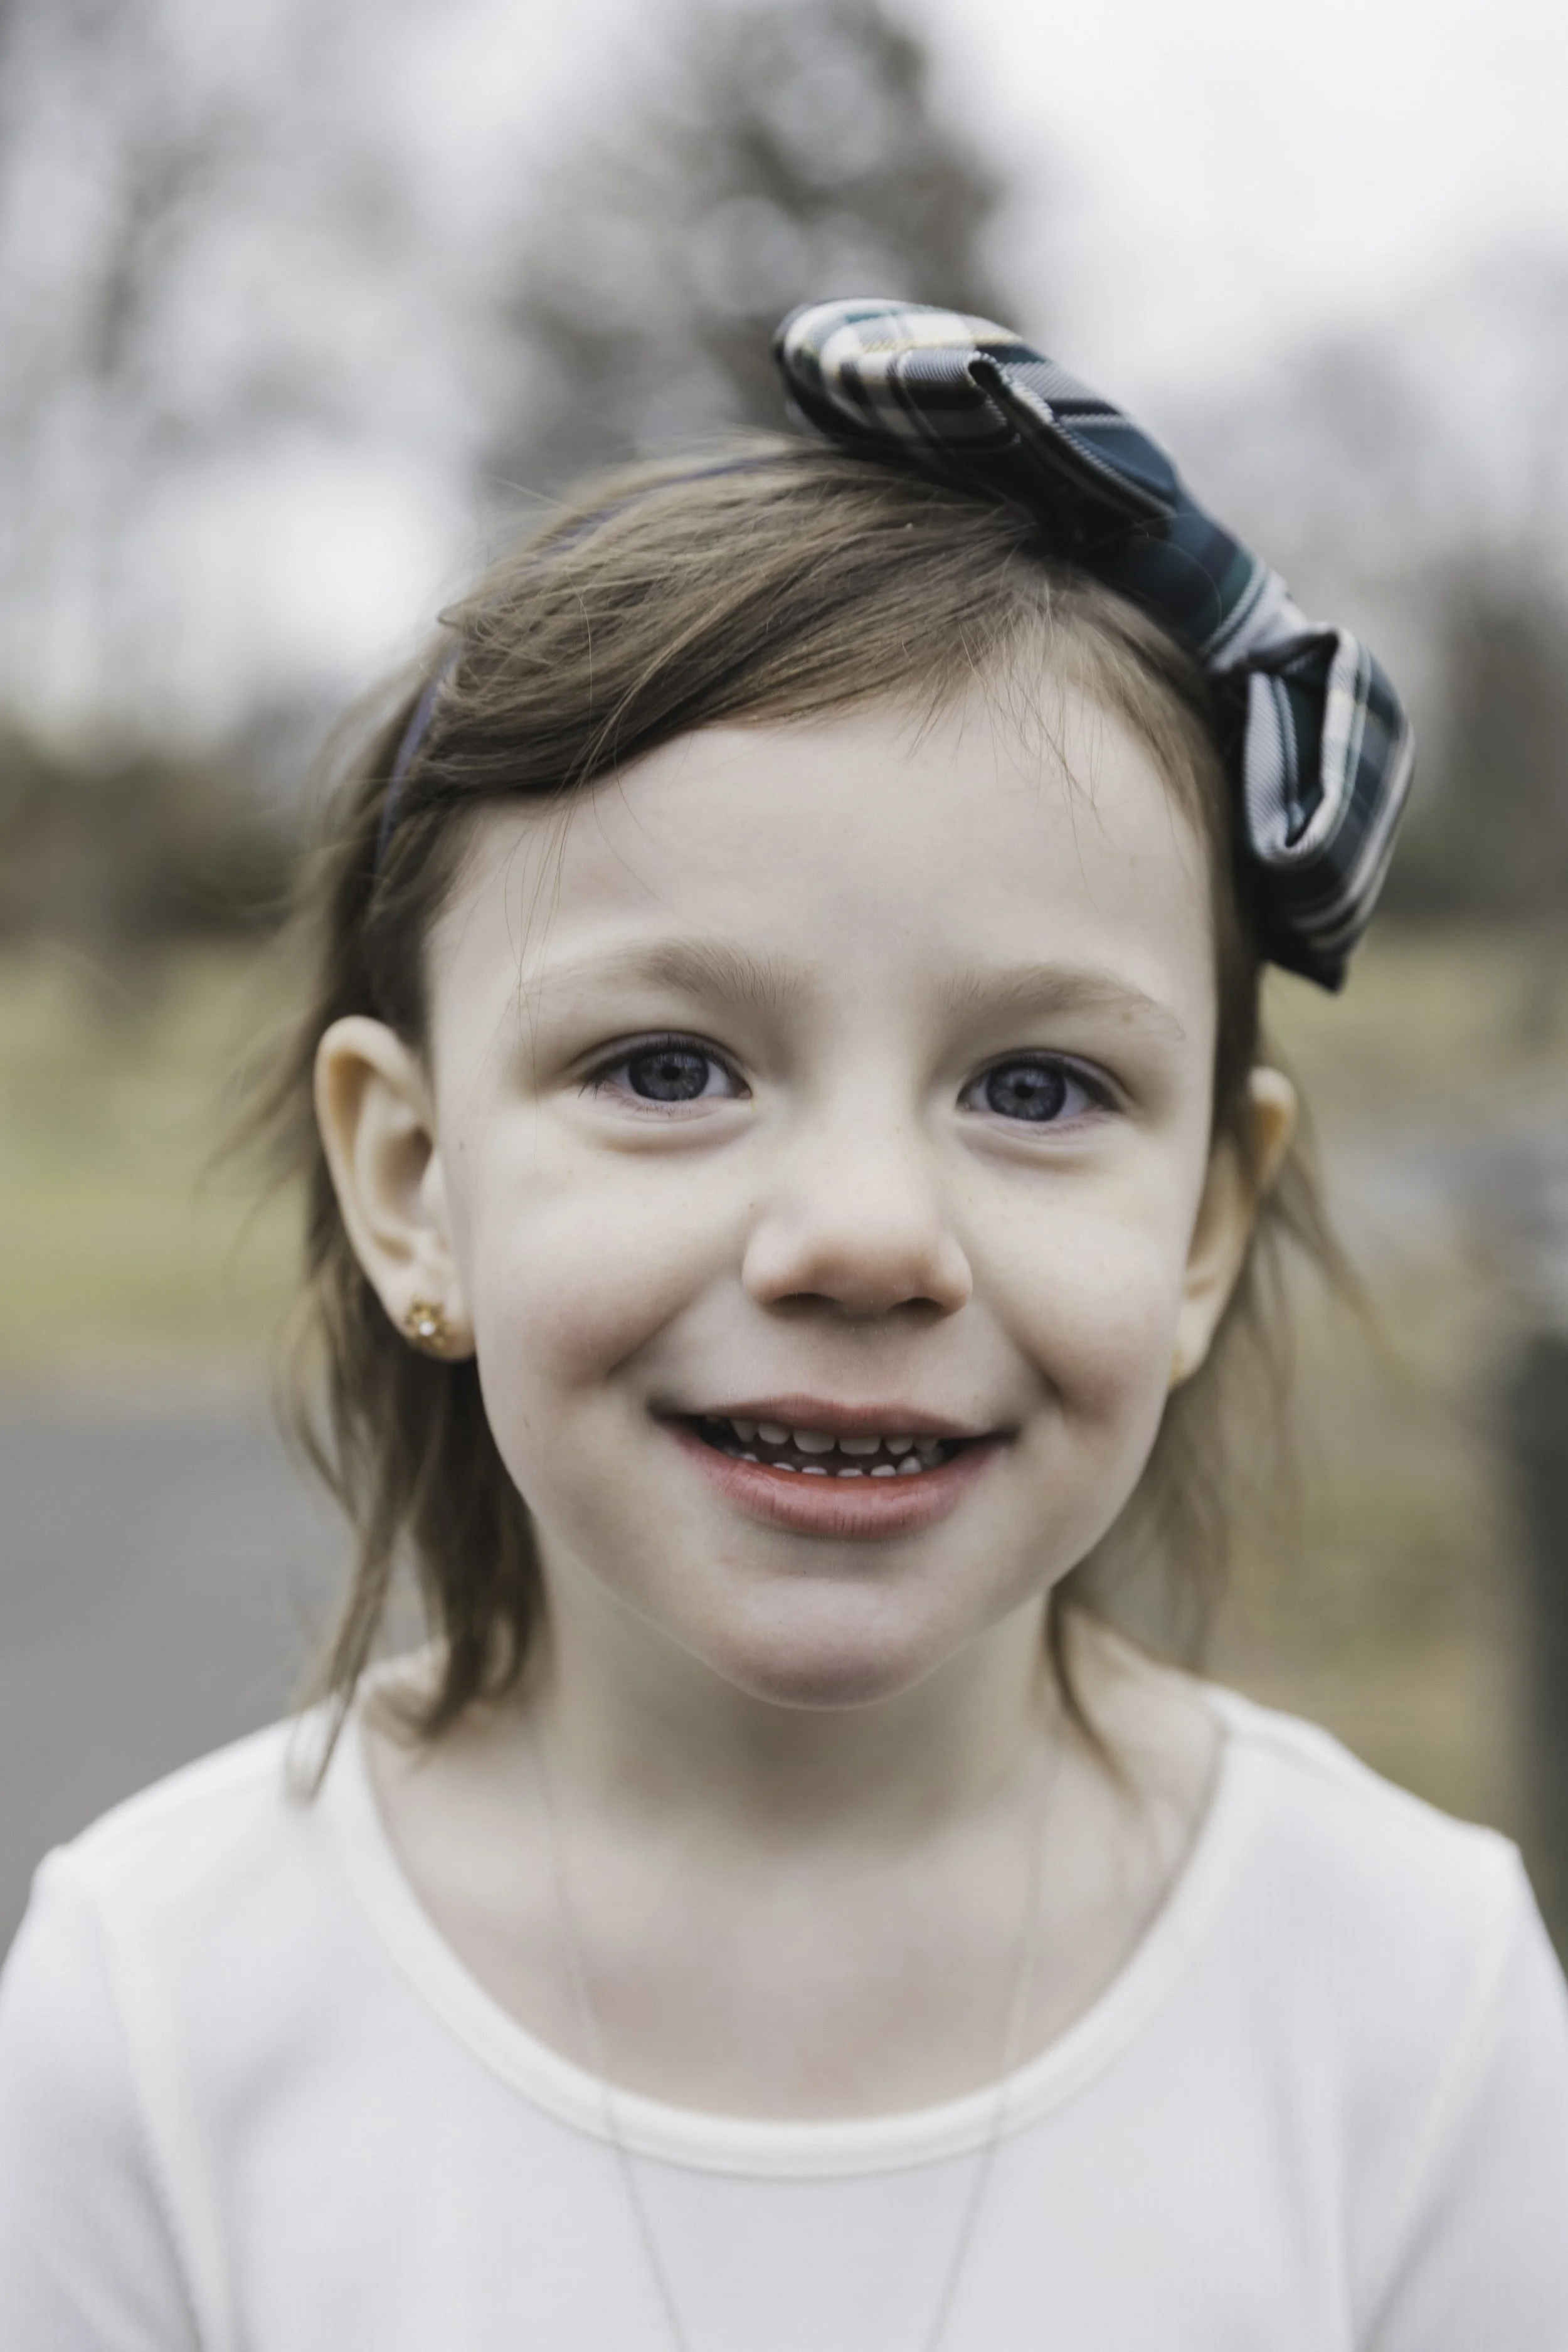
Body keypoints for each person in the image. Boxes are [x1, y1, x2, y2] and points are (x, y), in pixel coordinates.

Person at [3, 299, 1565, 2349]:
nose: (859, 1237)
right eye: (667, 1066)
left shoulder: (1409, 1998)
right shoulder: (155, 2007)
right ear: (412, 1181)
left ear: (1203, 1223)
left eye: (1033, 1088)